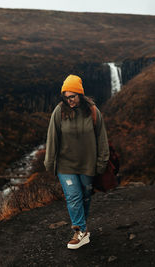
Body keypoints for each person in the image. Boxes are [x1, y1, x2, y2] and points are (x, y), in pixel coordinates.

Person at [44, 74, 109, 249]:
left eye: (72, 96)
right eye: (65, 97)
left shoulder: (94, 112)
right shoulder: (59, 111)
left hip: (88, 165)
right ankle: (79, 231)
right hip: (66, 165)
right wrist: (49, 162)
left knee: (85, 198)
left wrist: (102, 162)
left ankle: (83, 231)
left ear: (80, 94)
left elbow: (102, 139)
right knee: (73, 197)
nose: (69, 100)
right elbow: (52, 138)